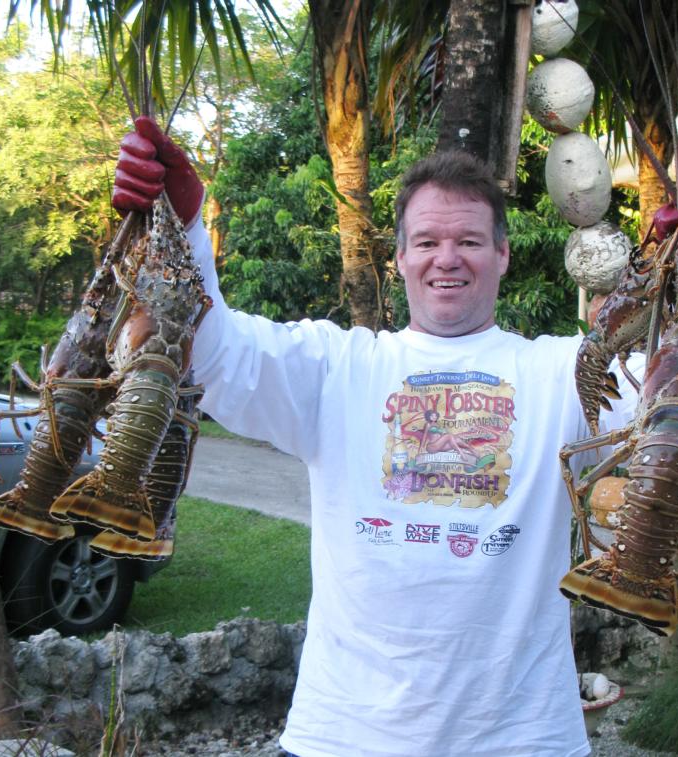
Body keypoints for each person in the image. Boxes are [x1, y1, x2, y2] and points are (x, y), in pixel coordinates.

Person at [113, 117, 641, 756]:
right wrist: (187, 224)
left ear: (503, 254)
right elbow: (216, 353)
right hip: (344, 736)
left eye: (469, 241)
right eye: (426, 242)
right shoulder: (337, 367)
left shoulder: (564, 373)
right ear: (398, 259)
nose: (447, 259)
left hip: (520, 740)